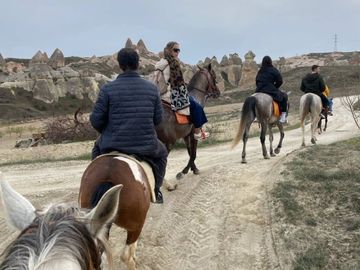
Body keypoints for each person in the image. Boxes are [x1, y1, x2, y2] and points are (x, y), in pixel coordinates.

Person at [90, 48, 167, 204]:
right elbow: (159, 120)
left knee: (96, 150)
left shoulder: (107, 89)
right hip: (146, 146)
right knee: (163, 153)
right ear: (138, 64)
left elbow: (96, 121)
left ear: (119, 65)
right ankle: (156, 190)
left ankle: (94, 186)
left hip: (112, 144)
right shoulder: (152, 89)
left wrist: (106, 131)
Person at [155, 41, 209, 140]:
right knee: (196, 106)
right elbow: (177, 83)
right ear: (169, 50)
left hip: (160, 94)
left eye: (178, 50)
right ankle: (197, 133)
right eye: (175, 50)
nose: (177, 52)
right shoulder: (173, 63)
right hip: (171, 95)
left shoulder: (160, 64)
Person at [255, 56, 288, 123]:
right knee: (284, 96)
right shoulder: (273, 69)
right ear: (270, 61)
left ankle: (255, 116)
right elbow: (280, 80)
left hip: (259, 89)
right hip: (269, 89)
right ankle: (283, 116)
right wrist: (275, 87)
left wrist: (259, 87)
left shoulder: (260, 71)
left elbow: (257, 80)